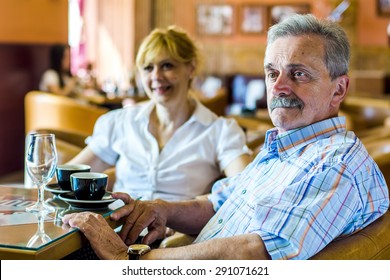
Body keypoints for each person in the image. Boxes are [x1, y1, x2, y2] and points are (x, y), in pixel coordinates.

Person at [63, 14, 389, 260]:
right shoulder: (285, 149)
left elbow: (255, 253)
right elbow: (218, 202)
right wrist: (162, 209)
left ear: (339, 89)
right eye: (272, 73)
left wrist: (132, 260)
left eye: (298, 73)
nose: (278, 87)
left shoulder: (336, 160)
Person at [66, 26, 252, 201]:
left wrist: (196, 207)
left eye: (167, 66)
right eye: (148, 68)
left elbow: (247, 188)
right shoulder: (121, 122)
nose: (156, 76)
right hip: (116, 229)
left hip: (179, 234)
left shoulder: (219, 131)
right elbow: (69, 177)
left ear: (191, 68)